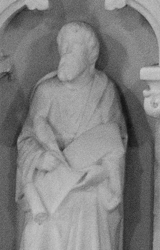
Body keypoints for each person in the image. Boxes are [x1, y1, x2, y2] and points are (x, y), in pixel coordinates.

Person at [17, 22, 127, 250]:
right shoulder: (46, 91)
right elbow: (26, 140)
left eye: (72, 48)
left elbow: (115, 145)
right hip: (51, 192)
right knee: (40, 231)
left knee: (89, 214)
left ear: (91, 55)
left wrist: (103, 171)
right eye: (62, 47)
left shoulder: (104, 92)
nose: (65, 54)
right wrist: (39, 159)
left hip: (89, 193)